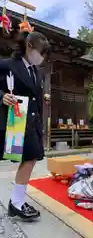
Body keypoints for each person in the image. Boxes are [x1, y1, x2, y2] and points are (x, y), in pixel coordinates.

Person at [0, 31, 51, 220]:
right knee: (28, 159)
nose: (42, 57)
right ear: (29, 47)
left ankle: (17, 201)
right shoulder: (7, 65)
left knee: (31, 158)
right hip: (13, 120)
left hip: (31, 122)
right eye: (41, 52)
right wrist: (1, 96)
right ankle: (16, 202)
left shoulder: (36, 71)